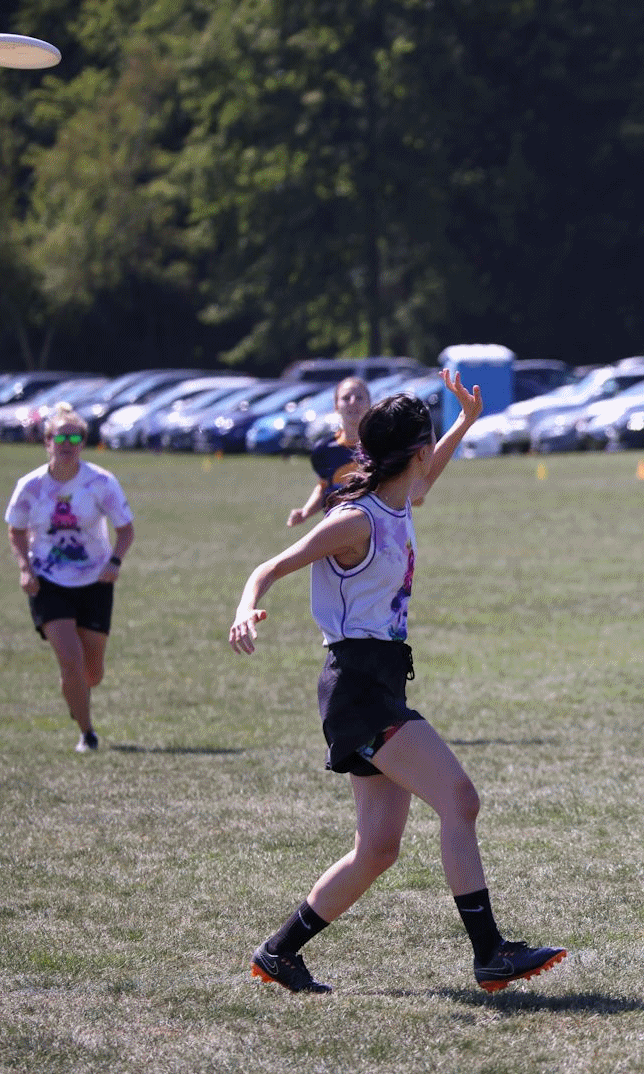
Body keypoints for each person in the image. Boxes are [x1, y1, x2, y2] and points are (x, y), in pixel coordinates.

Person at [231, 375, 565, 994]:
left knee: (378, 849)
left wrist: (464, 421)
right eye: (428, 444)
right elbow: (269, 566)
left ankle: (278, 954)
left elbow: (428, 475)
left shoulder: (399, 499)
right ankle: (490, 953)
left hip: (378, 681)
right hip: (357, 687)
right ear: (412, 451)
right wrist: (246, 607)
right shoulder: (354, 520)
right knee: (460, 799)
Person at [5, 403, 136, 752]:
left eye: (74, 438)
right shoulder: (30, 486)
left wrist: (115, 562)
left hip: (96, 580)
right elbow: (16, 530)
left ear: (83, 443)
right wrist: (24, 567)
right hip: (47, 581)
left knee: (92, 673)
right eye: (60, 437)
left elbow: (125, 530)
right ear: (47, 441)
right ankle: (87, 733)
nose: (67, 444)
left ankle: (75, 691)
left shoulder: (101, 482)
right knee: (70, 660)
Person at [287, 376, 372, 526]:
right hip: (337, 528)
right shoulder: (325, 449)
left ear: (369, 404)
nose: (353, 402)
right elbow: (323, 488)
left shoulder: (383, 446)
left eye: (359, 397)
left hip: (374, 528)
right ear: (336, 406)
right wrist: (305, 512)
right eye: (346, 398)